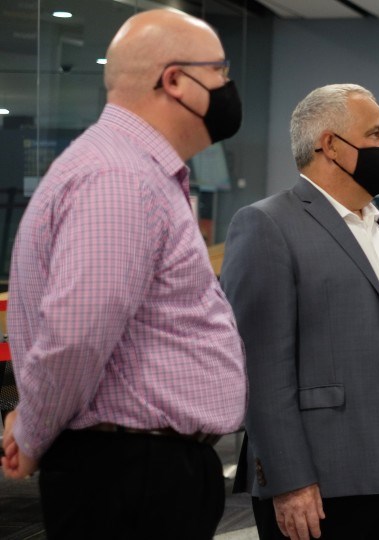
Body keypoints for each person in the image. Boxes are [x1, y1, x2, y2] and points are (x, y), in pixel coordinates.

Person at [0, 8, 247, 539]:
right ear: (175, 80)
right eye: (220, 72)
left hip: (142, 469)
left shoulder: (136, 170)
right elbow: (77, 335)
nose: (229, 87)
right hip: (130, 475)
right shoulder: (120, 178)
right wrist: (34, 432)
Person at [219, 84, 379, 540]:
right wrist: (289, 481)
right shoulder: (268, 224)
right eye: (376, 132)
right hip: (319, 486)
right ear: (330, 145)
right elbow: (259, 369)